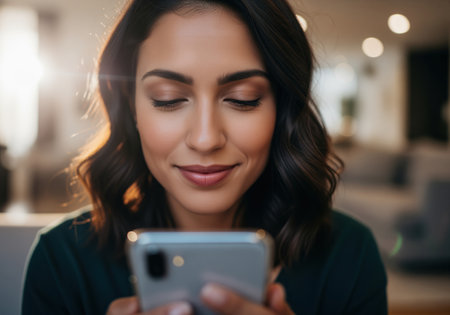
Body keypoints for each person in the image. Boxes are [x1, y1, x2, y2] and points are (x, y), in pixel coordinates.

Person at [22, 0, 387, 314]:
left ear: (282, 109)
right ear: (131, 107)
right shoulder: (61, 261)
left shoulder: (349, 256)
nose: (205, 138)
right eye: (167, 98)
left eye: (243, 98)